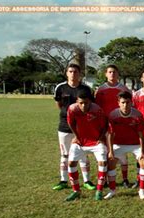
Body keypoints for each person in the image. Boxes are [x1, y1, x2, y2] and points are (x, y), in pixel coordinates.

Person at [52, 63, 94, 191]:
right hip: (65, 126)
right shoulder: (60, 88)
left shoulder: (86, 89)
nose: (73, 74)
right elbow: (59, 104)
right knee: (65, 154)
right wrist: (67, 114)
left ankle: (87, 180)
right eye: (70, 71)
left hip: (82, 127)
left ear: (79, 74)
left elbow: (90, 106)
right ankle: (63, 180)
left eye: (76, 71)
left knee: (82, 154)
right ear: (67, 73)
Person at [65, 89, 108, 201]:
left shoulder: (97, 110)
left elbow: (105, 125)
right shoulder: (72, 109)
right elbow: (71, 123)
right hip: (80, 141)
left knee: (103, 162)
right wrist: (77, 137)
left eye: (86, 103)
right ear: (77, 101)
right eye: (81, 103)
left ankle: (99, 190)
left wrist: (100, 138)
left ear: (90, 101)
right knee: (71, 163)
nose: (83, 105)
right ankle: (76, 191)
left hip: (95, 141)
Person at [95, 64, 133, 187]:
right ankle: (105, 178)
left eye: (114, 72)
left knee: (122, 151)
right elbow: (97, 108)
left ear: (118, 74)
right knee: (106, 152)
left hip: (121, 124)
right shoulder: (101, 90)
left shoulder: (124, 89)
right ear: (106, 74)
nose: (112, 74)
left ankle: (125, 179)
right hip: (105, 125)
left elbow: (130, 107)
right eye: (110, 72)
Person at [107, 91, 144, 199]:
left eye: (128, 102)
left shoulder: (137, 115)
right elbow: (110, 135)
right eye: (123, 102)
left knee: (143, 160)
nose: (125, 105)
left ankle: (142, 190)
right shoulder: (113, 115)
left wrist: (142, 150)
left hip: (135, 144)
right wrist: (110, 151)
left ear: (132, 102)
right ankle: (112, 190)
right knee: (110, 162)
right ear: (118, 103)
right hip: (119, 144)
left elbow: (141, 134)